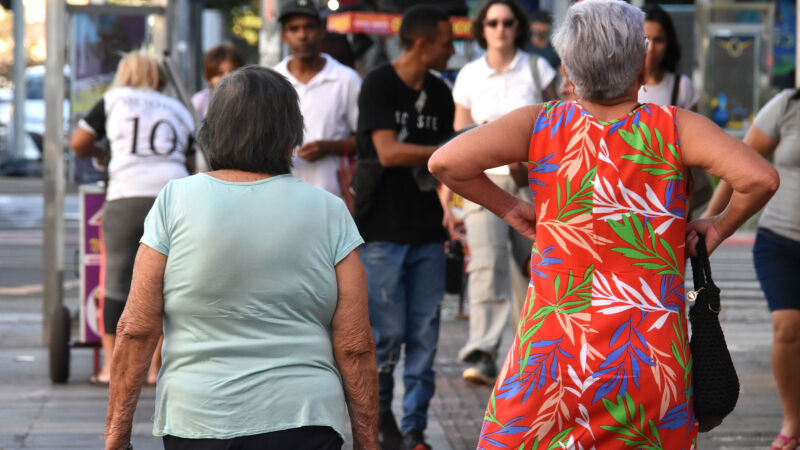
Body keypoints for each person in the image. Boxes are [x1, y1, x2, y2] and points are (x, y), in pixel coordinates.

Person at [429, 0, 778, 448]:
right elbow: (761, 179)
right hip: (648, 353)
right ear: (640, 62)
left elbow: (446, 163)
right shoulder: (675, 128)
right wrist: (720, 226)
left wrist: (508, 208)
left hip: (553, 351)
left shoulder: (541, 123)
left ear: (569, 69)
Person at [104, 66, 378, 450]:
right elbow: (355, 344)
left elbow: (136, 328)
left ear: (211, 132)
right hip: (302, 420)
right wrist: (368, 444)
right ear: (291, 136)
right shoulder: (329, 211)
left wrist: (116, 436)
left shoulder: (175, 201)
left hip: (196, 419)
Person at [353, 5, 454, 450]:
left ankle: (414, 429)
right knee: (386, 335)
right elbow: (389, 153)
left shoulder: (440, 93)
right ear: (421, 43)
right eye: (446, 42)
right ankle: (381, 421)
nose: (451, 49)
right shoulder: (378, 84)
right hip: (381, 233)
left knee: (425, 338)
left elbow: (442, 167)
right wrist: (444, 148)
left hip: (428, 232)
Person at [69, 51, 195, 387]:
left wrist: (105, 156)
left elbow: (79, 142)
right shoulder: (179, 109)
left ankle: (113, 367)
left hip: (126, 194)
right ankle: (156, 369)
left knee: (117, 282)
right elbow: (193, 157)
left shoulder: (113, 99)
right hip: (174, 197)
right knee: (168, 285)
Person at [450, 0, 555, 386]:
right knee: (487, 265)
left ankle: (530, 354)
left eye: (508, 22)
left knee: (535, 268)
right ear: (482, 28)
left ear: (518, 27)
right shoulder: (469, 76)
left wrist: (527, 163)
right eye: (492, 22)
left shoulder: (537, 67)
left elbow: (555, 125)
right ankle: (483, 351)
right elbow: (459, 137)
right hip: (484, 182)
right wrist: (451, 198)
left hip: (532, 183)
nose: (500, 29)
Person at [703, 88, 799, 450]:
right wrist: (713, 224)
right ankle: (792, 420)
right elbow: (737, 167)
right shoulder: (788, 105)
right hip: (781, 241)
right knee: (788, 325)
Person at [274, 0, 360, 199]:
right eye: (294, 29)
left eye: (309, 27)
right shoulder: (273, 80)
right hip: (281, 196)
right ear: (284, 35)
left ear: (322, 31)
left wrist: (331, 147)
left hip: (333, 197)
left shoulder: (346, 79)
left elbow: (367, 141)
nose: (302, 35)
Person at [638, 4, 710, 218]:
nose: (650, 48)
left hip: (672, 198)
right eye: (644, 39)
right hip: (629, 194)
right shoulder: (619, 87)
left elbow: (697, 145)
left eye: (658, 40)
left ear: (668, 44)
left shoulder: (681, 87)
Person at [191, 43, 244, 119]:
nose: (227, 77)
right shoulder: (200, 101)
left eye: (233, 71)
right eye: (220, 73)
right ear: (209, 76)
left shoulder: (249, 100)